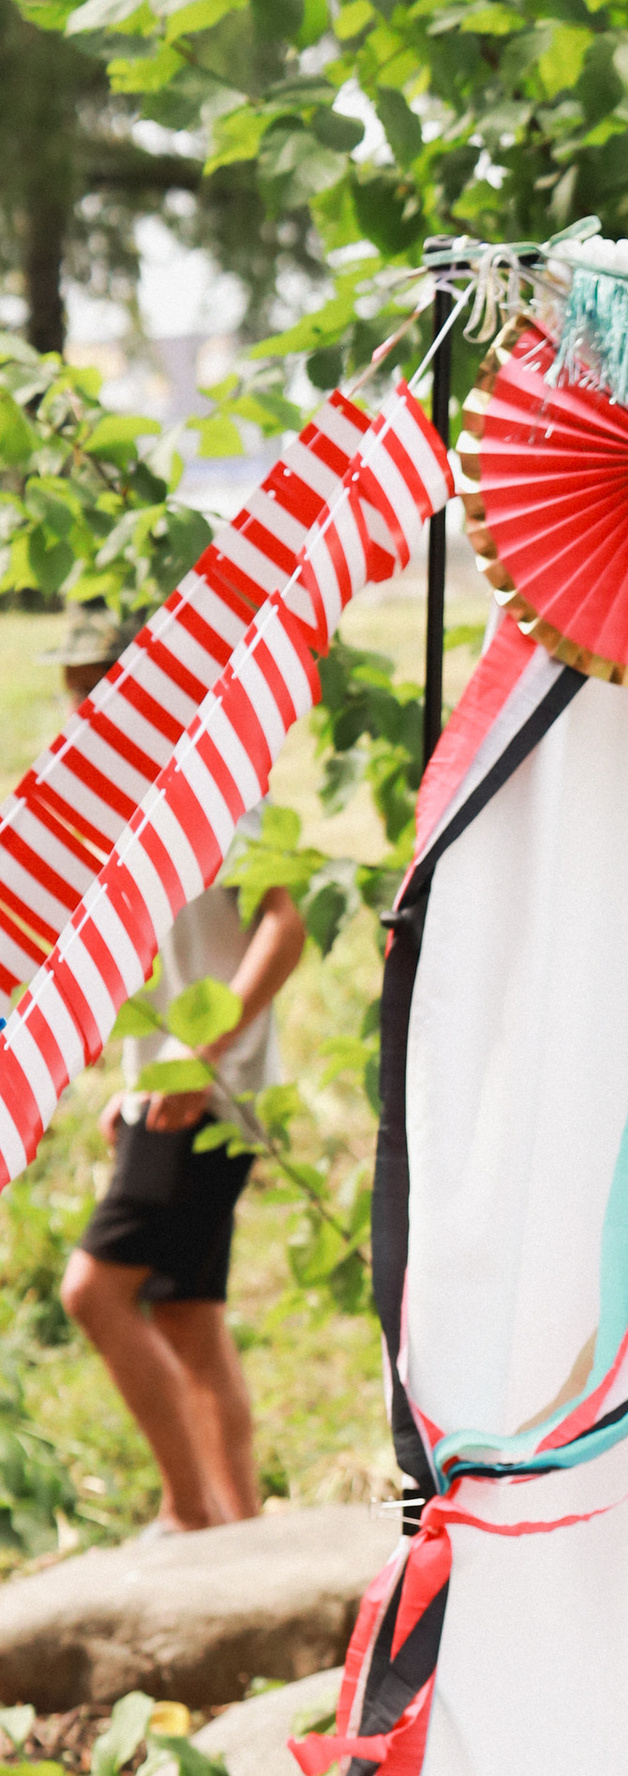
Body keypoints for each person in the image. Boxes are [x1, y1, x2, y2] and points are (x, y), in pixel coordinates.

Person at [50, 611, 306, 1534]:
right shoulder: (124, 816)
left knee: (95, 1292)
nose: (81, 708)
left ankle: (192, 1513)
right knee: (187, 1313)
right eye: (75, 689)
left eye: (98, 688)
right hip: (166, 1100)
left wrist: (204, 1055)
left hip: (205, 1099)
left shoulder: (211, 793)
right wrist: (130, 1081)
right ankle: (233, 1525)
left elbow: (283, 928)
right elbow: (164, 965)